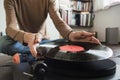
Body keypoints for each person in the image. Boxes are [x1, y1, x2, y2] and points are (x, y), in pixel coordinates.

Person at [0, 0, 100, 60]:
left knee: (67, 41)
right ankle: (45, 54)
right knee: (2, 42)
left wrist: (71, 34)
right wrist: (26, 37)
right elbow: (10, 28)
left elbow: (59, 23)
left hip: (43, 42)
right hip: (23, 42)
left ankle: (29, 56)